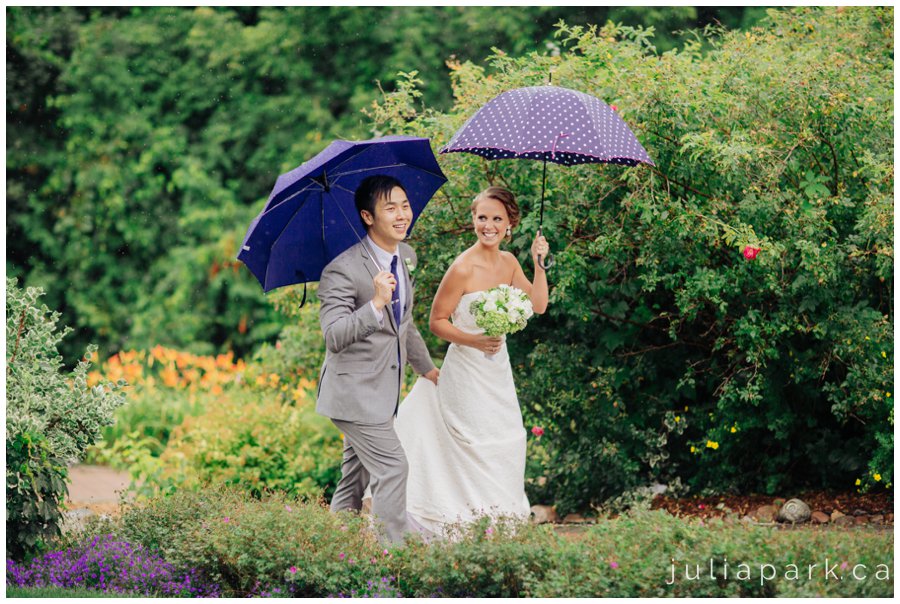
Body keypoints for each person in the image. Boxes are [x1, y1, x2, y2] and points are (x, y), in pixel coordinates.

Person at [394, 185, 550, 537]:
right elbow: (437, 322)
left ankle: (500, 526)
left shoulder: (510, 263)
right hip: (466, 370)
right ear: (473, 220)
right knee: (473, 443)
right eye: (482, 218)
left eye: (497, 218)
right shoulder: (462, 267)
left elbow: (538, 305)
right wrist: (476, 340)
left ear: (510, 223)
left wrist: (539, 264)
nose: (489, 225)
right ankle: (464, 524)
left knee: (508, 438)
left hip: (497, 372)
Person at [316, 174, 440, 544]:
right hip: (354, 394)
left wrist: (428, 369)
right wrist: (374, 304)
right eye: (391, 208)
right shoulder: (341, 270)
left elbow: (405, 324)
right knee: (393, 468)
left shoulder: (405, 257)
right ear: (368, 217)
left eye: (405, 205)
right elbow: (334, 335)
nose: (403, 214)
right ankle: (394, 559)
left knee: (353, 481)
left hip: (383, 393)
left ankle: (336, 552)